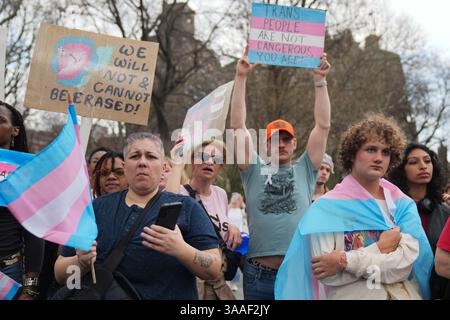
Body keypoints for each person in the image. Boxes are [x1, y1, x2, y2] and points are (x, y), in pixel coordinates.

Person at [275, 115, 434, 300]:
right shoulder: (327, 208)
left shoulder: (401, 204)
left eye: (385, 152)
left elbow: (405, 266)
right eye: (371, 149)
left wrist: (344, 261)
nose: (378, 158)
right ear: (352, 154)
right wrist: (381, 249)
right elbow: (327, 272)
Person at [54, 132, 221, 299]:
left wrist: (180, 249)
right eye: (135, 156)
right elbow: (60, 274)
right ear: (125, 167)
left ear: (163, 168)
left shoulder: (187, 208)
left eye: (150, 156)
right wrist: (81, 263)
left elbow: (214, 268)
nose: (142, 162)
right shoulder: (96, 209)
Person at [230, 48, 331, 299]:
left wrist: (320, 81)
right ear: (266, 146)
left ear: (295, 144)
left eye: (286, 139)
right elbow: (237, 126)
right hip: (257, 275)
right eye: (275, 140)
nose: (281, 144)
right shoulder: (253, 170)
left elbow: (323, 125)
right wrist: (241, 77)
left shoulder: (306, 169)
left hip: (298, 271)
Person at [165, 138, 242, 300]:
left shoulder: (220, 194)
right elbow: (167, 211)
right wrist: (177, 163)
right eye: (203, 157)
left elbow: (217, 224)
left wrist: (231, 226)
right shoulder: (179, 192)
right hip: (190, 283)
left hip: (218, 284)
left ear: (220, 167)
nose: (209, 162)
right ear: (192, 162)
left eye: (216, 159)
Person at [389, 143, 450, 299]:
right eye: (413, 162)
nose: (423, 166)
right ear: (401, 169)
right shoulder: (390, 210)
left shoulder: (445, 212)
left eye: (427, 161)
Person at [0, 100, 44, 299]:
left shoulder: (27, 174)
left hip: (7, 273)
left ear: (15, 130)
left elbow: (34, 235)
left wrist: (30, 288)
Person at [227, 192, 248, 292]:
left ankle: (238, 282)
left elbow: (247, 212)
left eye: (237, 198)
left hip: (241, 239)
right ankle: (231, 282)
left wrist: (241, 201)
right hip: (229, 239)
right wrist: (231, 203)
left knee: (242, 262)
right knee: (231, 261)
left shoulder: (241, 210)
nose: (235, 200)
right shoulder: (229, 209)